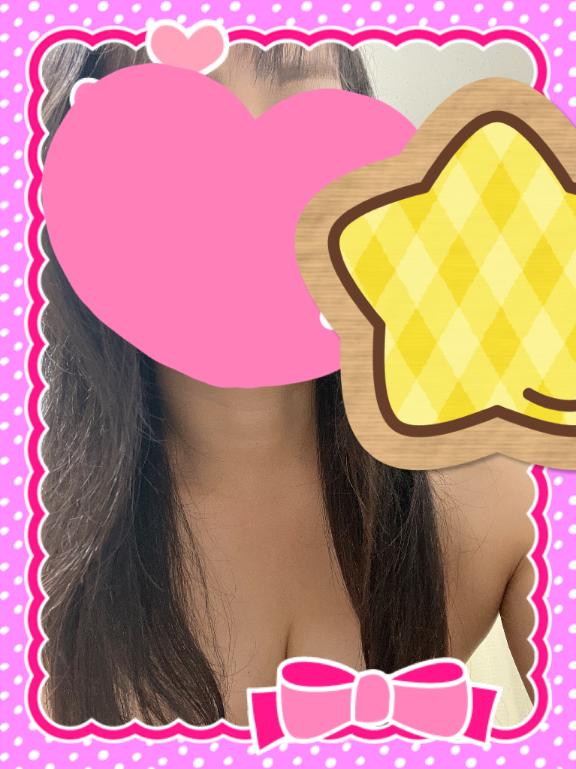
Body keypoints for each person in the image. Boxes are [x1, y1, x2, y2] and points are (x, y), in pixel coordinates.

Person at [38, 38, 536, 727]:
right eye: (169, 118)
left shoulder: (503, 495)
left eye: (299, 95)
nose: (245, 185)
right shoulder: (35, 535)